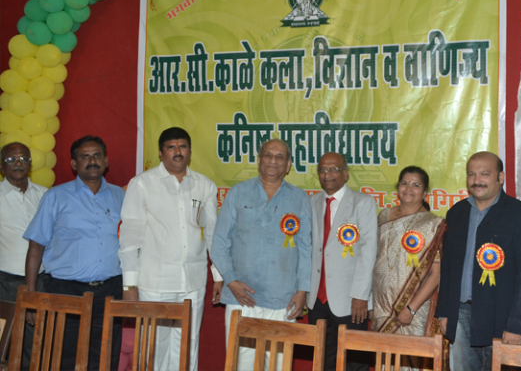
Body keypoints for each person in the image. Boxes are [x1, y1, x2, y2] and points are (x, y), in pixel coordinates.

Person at [118, 127, 223, 371]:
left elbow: (212, 234)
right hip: (155, 284)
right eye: (171, 147)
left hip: (193, 283)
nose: (177, 151)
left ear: (190, 151)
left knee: (187, 347)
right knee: (153, 349)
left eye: (182, 146)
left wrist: (218, 275)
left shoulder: (204, 185)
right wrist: (129, 287)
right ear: (161, 152)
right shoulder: (142, 184)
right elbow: (129, 240)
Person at [24, 135, 125, 371]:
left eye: (97, 155)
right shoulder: (55, 197)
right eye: (85, 156)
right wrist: (31, 295)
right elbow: (36, 247)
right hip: (65, 291)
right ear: (73, 163)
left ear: (106, 161)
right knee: (62, 358)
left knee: (105, 359)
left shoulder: (121, 197)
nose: (92, 161)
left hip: (110, 291)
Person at [435, 151, 521, 371]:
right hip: (461, 315)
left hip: (503, 317)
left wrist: (517, 325)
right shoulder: (456, 213)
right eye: (471, 174)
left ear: (500, 177)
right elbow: (448, 268)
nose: (477, 180)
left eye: (484, 174)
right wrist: (445, 312)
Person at [211, 139, 311, 371]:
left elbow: (306, 248)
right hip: (241, 297)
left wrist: (302, 291)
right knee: (240, 365)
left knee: (278, 366)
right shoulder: (238, 193)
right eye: (268, 155)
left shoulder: (299, 198)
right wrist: (230, 281)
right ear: (259, 160)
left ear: (288, 164)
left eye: (279, 157)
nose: (273, 161)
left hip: (283, 299)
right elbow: (219, 243)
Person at [307, 152, 377, 371]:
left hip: (350, 300)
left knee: (354, 361)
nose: (327, 174)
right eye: (323, 169)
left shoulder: (362, 202)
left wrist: (360, 295)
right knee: (323, 361)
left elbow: (368, 251)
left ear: (345, 174)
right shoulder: (312, 202)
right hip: (317, 300)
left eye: (334, 169)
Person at [372, 166, 447, 371]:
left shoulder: (433, 224)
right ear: (398, 187)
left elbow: (436, 274)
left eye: (416, 185)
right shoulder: (384, 215)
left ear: (425, 192)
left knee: (410, 363)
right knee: (385, 362)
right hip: (381, 306)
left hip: (412, 308)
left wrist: (411, 308)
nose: (409, 189)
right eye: (404, 183)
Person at [0, 142, 48, 368]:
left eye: (23, 159)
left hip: (42, 280)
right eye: (11, 159)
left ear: (30, 164)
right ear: (2, 166)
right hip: (6, 283)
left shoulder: (46, 195)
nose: (18, 163)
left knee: (38, 342)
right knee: (7, 344)